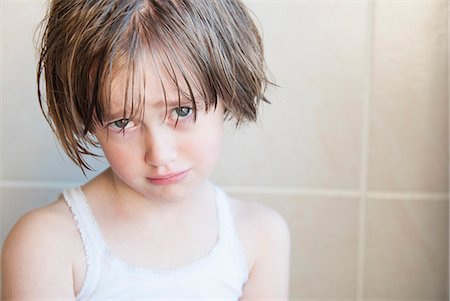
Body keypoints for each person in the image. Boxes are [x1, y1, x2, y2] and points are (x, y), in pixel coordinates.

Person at [1, 0, 290, 299]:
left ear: (229, 92)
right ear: (88, 119)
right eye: (123, 122)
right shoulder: (48, 246)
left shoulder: (260, 237)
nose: (160, 155)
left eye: (182, 111)